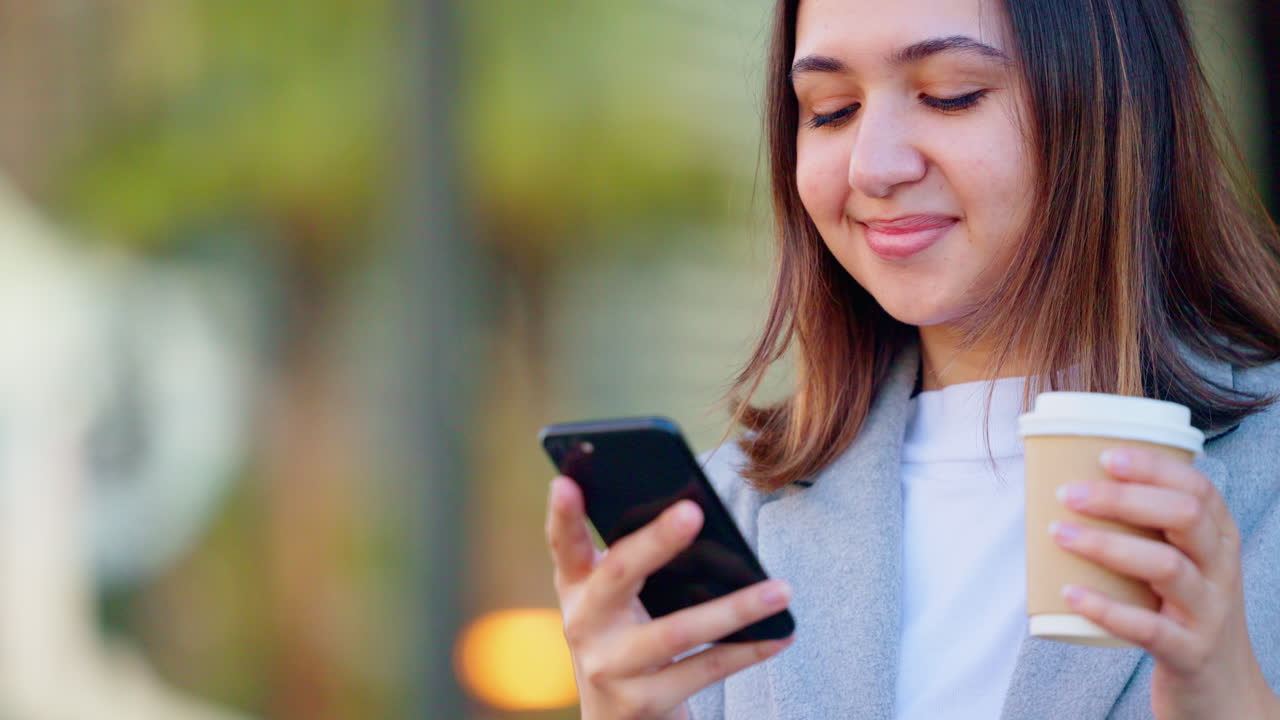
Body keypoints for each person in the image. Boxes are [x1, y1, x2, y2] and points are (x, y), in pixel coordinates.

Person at [543, 0, 1280, 717]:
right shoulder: (724, 514)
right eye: (830, 110)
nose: (873, 167)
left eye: (948, 97)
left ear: (1112, 101)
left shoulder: (1263, 478)